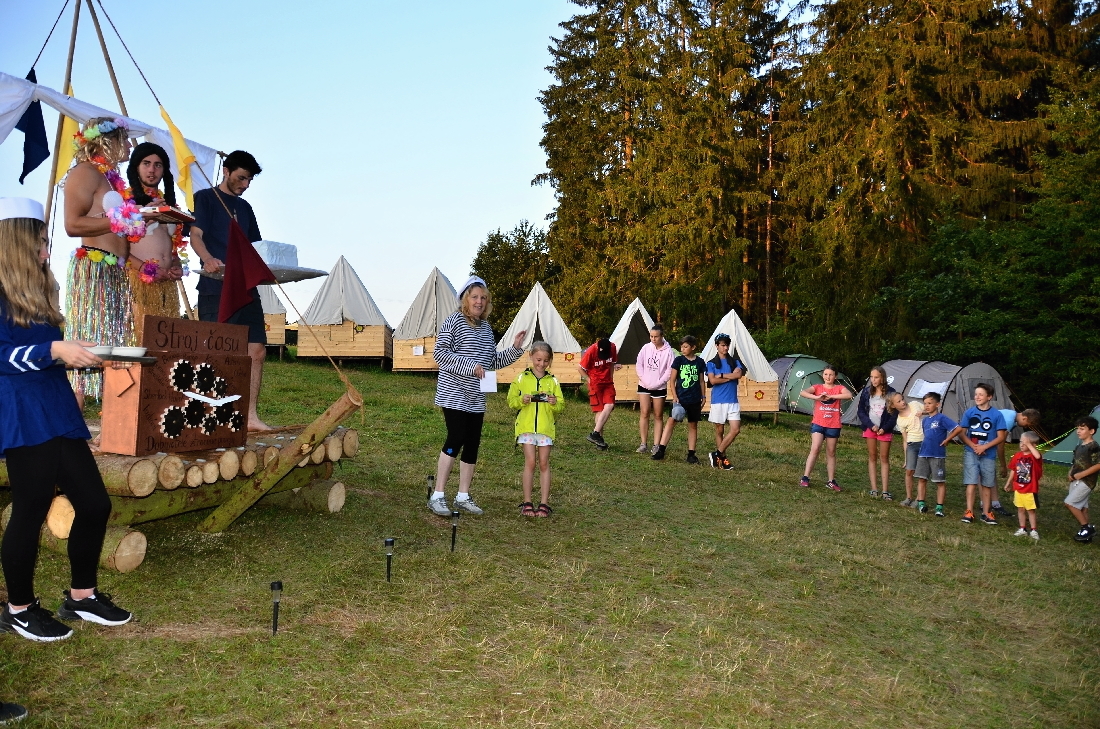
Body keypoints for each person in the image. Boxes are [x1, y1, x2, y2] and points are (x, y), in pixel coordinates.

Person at [0, 198, 132, 643]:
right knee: (31, 508)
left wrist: (75, 351)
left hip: (56, 405)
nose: (46, 251)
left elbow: (45, 351)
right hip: (23, 411)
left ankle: (81, 597)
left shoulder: (39, 288)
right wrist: (54, 350)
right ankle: (19, 610)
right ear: (16, 245)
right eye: (39, 243)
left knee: (94, 503)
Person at [62, 117, 147, 405]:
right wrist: (119, 221)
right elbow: (72, 224)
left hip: (115, 271)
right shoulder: (85, 172)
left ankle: (113, 422)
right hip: (94, 269)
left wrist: (140, 219)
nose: (129, 146)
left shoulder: (110, 179)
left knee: (114, 348)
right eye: (124, 140)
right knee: (88, 344)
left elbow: (117, 225)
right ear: (107, 141)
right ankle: (71, 422)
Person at [429, 276, 525, 516]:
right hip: (453, 392)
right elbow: (440, 354)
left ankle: (463, 496)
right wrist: (470, 366)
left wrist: (515, 349)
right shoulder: (454, 321)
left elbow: (492, 361)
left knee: (472, 444)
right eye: (474, 297)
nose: (479, 302)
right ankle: (437, 495)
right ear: (465, 299)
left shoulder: (486, 329)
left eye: (483, 298)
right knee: (456, 437)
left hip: (476, 397)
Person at [189, 150, 270, 431]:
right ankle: (210, 418)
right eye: (241, 178)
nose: (245, 185)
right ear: (226, 171)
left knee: (256, 350)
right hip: (215, 288)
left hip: (246, 288)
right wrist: (207, 258)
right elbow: (195, 236)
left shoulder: (246, 209)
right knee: (216, 353)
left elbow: (255, 249)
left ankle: (250, 417)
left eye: (249, 180)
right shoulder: (205, 198)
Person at [126, 142, 184, 343]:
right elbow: (116, 248)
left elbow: (172, 248)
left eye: (158, 165)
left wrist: (176, 265)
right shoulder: (125, 202)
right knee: (139, 344)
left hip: (166, 286)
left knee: (164, 347)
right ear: (136, 167)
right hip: (137, 284)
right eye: (146, 163)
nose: (152, 170)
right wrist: (144, 268)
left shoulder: (169, 206)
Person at [508, 341, 565, 517]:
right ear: (531, 356)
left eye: (546, 360)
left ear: (550, 361)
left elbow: (561, 405)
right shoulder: (521, 378)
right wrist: (521, 400)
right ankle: (527, 502)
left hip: (545, 429)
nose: (541, 364)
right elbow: (511, 401)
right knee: (530, 463)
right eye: (538, 359)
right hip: (526, 429)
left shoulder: (553, 380)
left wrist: (555, 403)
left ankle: (544, 504)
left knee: (544, 463)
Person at [942, 383, 1007, 525]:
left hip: (988, 454)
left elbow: (1001, 437)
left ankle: (987, 513)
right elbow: (962, 433)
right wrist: (973, 446)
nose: (977, 397)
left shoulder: (997, 414)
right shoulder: (969, 413)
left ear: (989, 397)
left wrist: (985, 447)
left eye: (981, 394)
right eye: (976, 394)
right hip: (971, 453)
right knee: (971, 482)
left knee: (987, 483)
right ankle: (969, 511)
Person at [652, 335, 705, 463]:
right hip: (680, 398)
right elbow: (672, 380)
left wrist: (703, 396)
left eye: (685, 347)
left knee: (693, 425)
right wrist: (675, 396)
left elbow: (701, 381)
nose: (682, 349)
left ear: (693, 347)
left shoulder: (699, 362)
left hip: (695, 398)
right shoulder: (679, 360)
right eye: (681, 347)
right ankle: (661, 450)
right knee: (671, 421)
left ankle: (691, 454)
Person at [799, 364, 852, 490]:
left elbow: (849, 395)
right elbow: (803, 392)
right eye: (826, 374)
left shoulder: (839, 388)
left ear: (835, 376)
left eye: (831, 375)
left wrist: (832, 396)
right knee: (815, 448)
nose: (828, 377)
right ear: (822, 375)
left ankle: (831, 481)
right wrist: (817, 397)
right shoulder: (818, 387)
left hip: (833, 424)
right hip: (818, 423)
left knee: (831, 452)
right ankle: (805, 477)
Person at [856, 366, 898, 499]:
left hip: (885, 429)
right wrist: (870, 425)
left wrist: (884, 428)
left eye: (876, 377)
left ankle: (885, 491)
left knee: (884, 458)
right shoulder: (866, 392)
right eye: (871, 377)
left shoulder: (891, 392)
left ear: (882, 378)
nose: (873, 380)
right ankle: (874, 489)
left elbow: (894, 414)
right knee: (872, 456)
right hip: (870, 428)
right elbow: (861, 411)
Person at [705, 333, 744, 470]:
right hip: (718, 401)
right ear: (717, 346)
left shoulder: (735, 362)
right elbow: (712, 380)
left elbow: (739, 374)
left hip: (733, 401)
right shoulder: (711, 363)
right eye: (722, 345)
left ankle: (717, 453)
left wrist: (721, 375)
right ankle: (723, 458)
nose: (725, 348)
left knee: (735, 429)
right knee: (719, 430)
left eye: (727, 345)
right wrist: (730, 377)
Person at [914, 392, 956, 516]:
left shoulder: (942, 418)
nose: (926, 406)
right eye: (925, 403)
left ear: (937, 404)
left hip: (937, 455)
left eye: (929, 403)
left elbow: (957, 428)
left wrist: (947, 439)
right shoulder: (925, 421)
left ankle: (939, 508)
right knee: (922, 479)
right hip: (924, 453)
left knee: (940, 482)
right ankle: (921, 504)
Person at [994, 408, 1041, 517]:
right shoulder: (1009, 420)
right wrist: (1003, 466)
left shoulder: (1011, 415)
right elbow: (1000, 444)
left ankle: (992, 503)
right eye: (1027, 424)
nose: (1026, 427)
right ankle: (989, 504)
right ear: (1024, 418)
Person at [635, 324, 673, 455]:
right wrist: (644, 380)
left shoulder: (668, 352)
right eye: (651, 336)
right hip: (644, 384)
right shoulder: (646, 348)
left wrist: (659, 383)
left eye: (656, 336)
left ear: (662, 336)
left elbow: (669, 370)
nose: (653, 339)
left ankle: (656, 444)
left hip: (659, 386)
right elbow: (639, 364)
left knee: (658, 415)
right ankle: (643, 443)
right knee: (644, 412)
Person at [578, 335, 619, 450]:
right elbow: (580, 368)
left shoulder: (613, 348)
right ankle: (599, 441)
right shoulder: (591, 351)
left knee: (609, 405)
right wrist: (589, 380)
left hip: (607, 383)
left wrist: (611, 377)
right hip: (595, 384)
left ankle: (595, 434)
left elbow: (612, 363)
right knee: (600, 411)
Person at [1065, 416, 1100, 543]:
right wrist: (1071, 473)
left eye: (1082, 428)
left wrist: (1081, 475)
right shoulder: (1079, 446)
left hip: (1086, 482)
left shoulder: (1094, 446)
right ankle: (1086, 535)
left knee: (1070, 503)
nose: (1078, 431)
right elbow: (1075, 462)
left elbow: (1098, 464)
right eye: (1078, 428)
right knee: (1082, 507)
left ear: (1092, 431)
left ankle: (1087, 528)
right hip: (1075, 480)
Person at [1005, 431, 1043, 540]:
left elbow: (1037, 455)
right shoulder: (1017, 456)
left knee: (1030, 510)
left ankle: (1034, 530)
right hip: (1018, 488)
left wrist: (1029, 444)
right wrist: (1009, 482)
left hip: (1030, 489)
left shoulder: (1035, 457)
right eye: (1021, 442)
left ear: (1032, 445)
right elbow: (1013, 470)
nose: (1021, 445)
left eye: (1025, 443)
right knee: (1020, 509)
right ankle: (1023, 528)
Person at [894, 392, 924, 507]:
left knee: (921, 472)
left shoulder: (915, 404)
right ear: (893, 406)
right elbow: (905, 440)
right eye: (899, 401)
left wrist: (923, 413)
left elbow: (931, 410)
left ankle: (919, 498)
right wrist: (906, 458)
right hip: (912, 444)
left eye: (902, 399)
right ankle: (909, 497)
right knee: (909, 471)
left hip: (924, 442)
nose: (903, 402)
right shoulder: (900, 420)